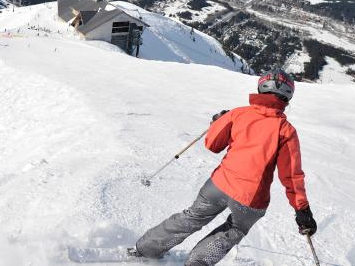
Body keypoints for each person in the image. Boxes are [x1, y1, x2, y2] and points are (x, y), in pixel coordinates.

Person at [131, 69, 317, 265]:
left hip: (218, 185)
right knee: (235, 228)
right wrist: (302, 210)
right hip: (250, 198)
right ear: (288, 96)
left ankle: (146, 249)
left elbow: (212, 145)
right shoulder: (286, 131)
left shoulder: (237, 114)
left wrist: (217, 123)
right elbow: (291, 176)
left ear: (261, 88)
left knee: (193, 217)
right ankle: (197, 262)